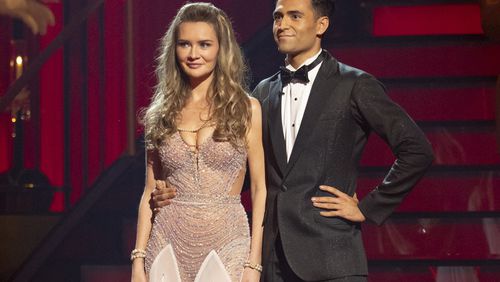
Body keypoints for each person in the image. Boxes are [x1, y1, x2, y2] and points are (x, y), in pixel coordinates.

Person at [152, 0, 434, 281]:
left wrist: (368, 207)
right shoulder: (262, 93)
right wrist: (177, 186)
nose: (282, 24)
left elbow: (416, 150)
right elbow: (242, 170)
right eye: (278, 17)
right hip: (273, 260)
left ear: (321, 25)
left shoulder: (354, 85)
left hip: (332, 259)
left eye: (295, 16)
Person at [131, 3, 266, 282]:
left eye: (204, 44)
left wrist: (254, 264)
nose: (193, 54)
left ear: (221, 49)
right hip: (166, 239)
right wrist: (138, 259)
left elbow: (259, 189)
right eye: (185, 44)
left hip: (227, 240)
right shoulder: (160, 113)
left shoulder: (246, 108)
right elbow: (148, 192)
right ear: (174, 49)